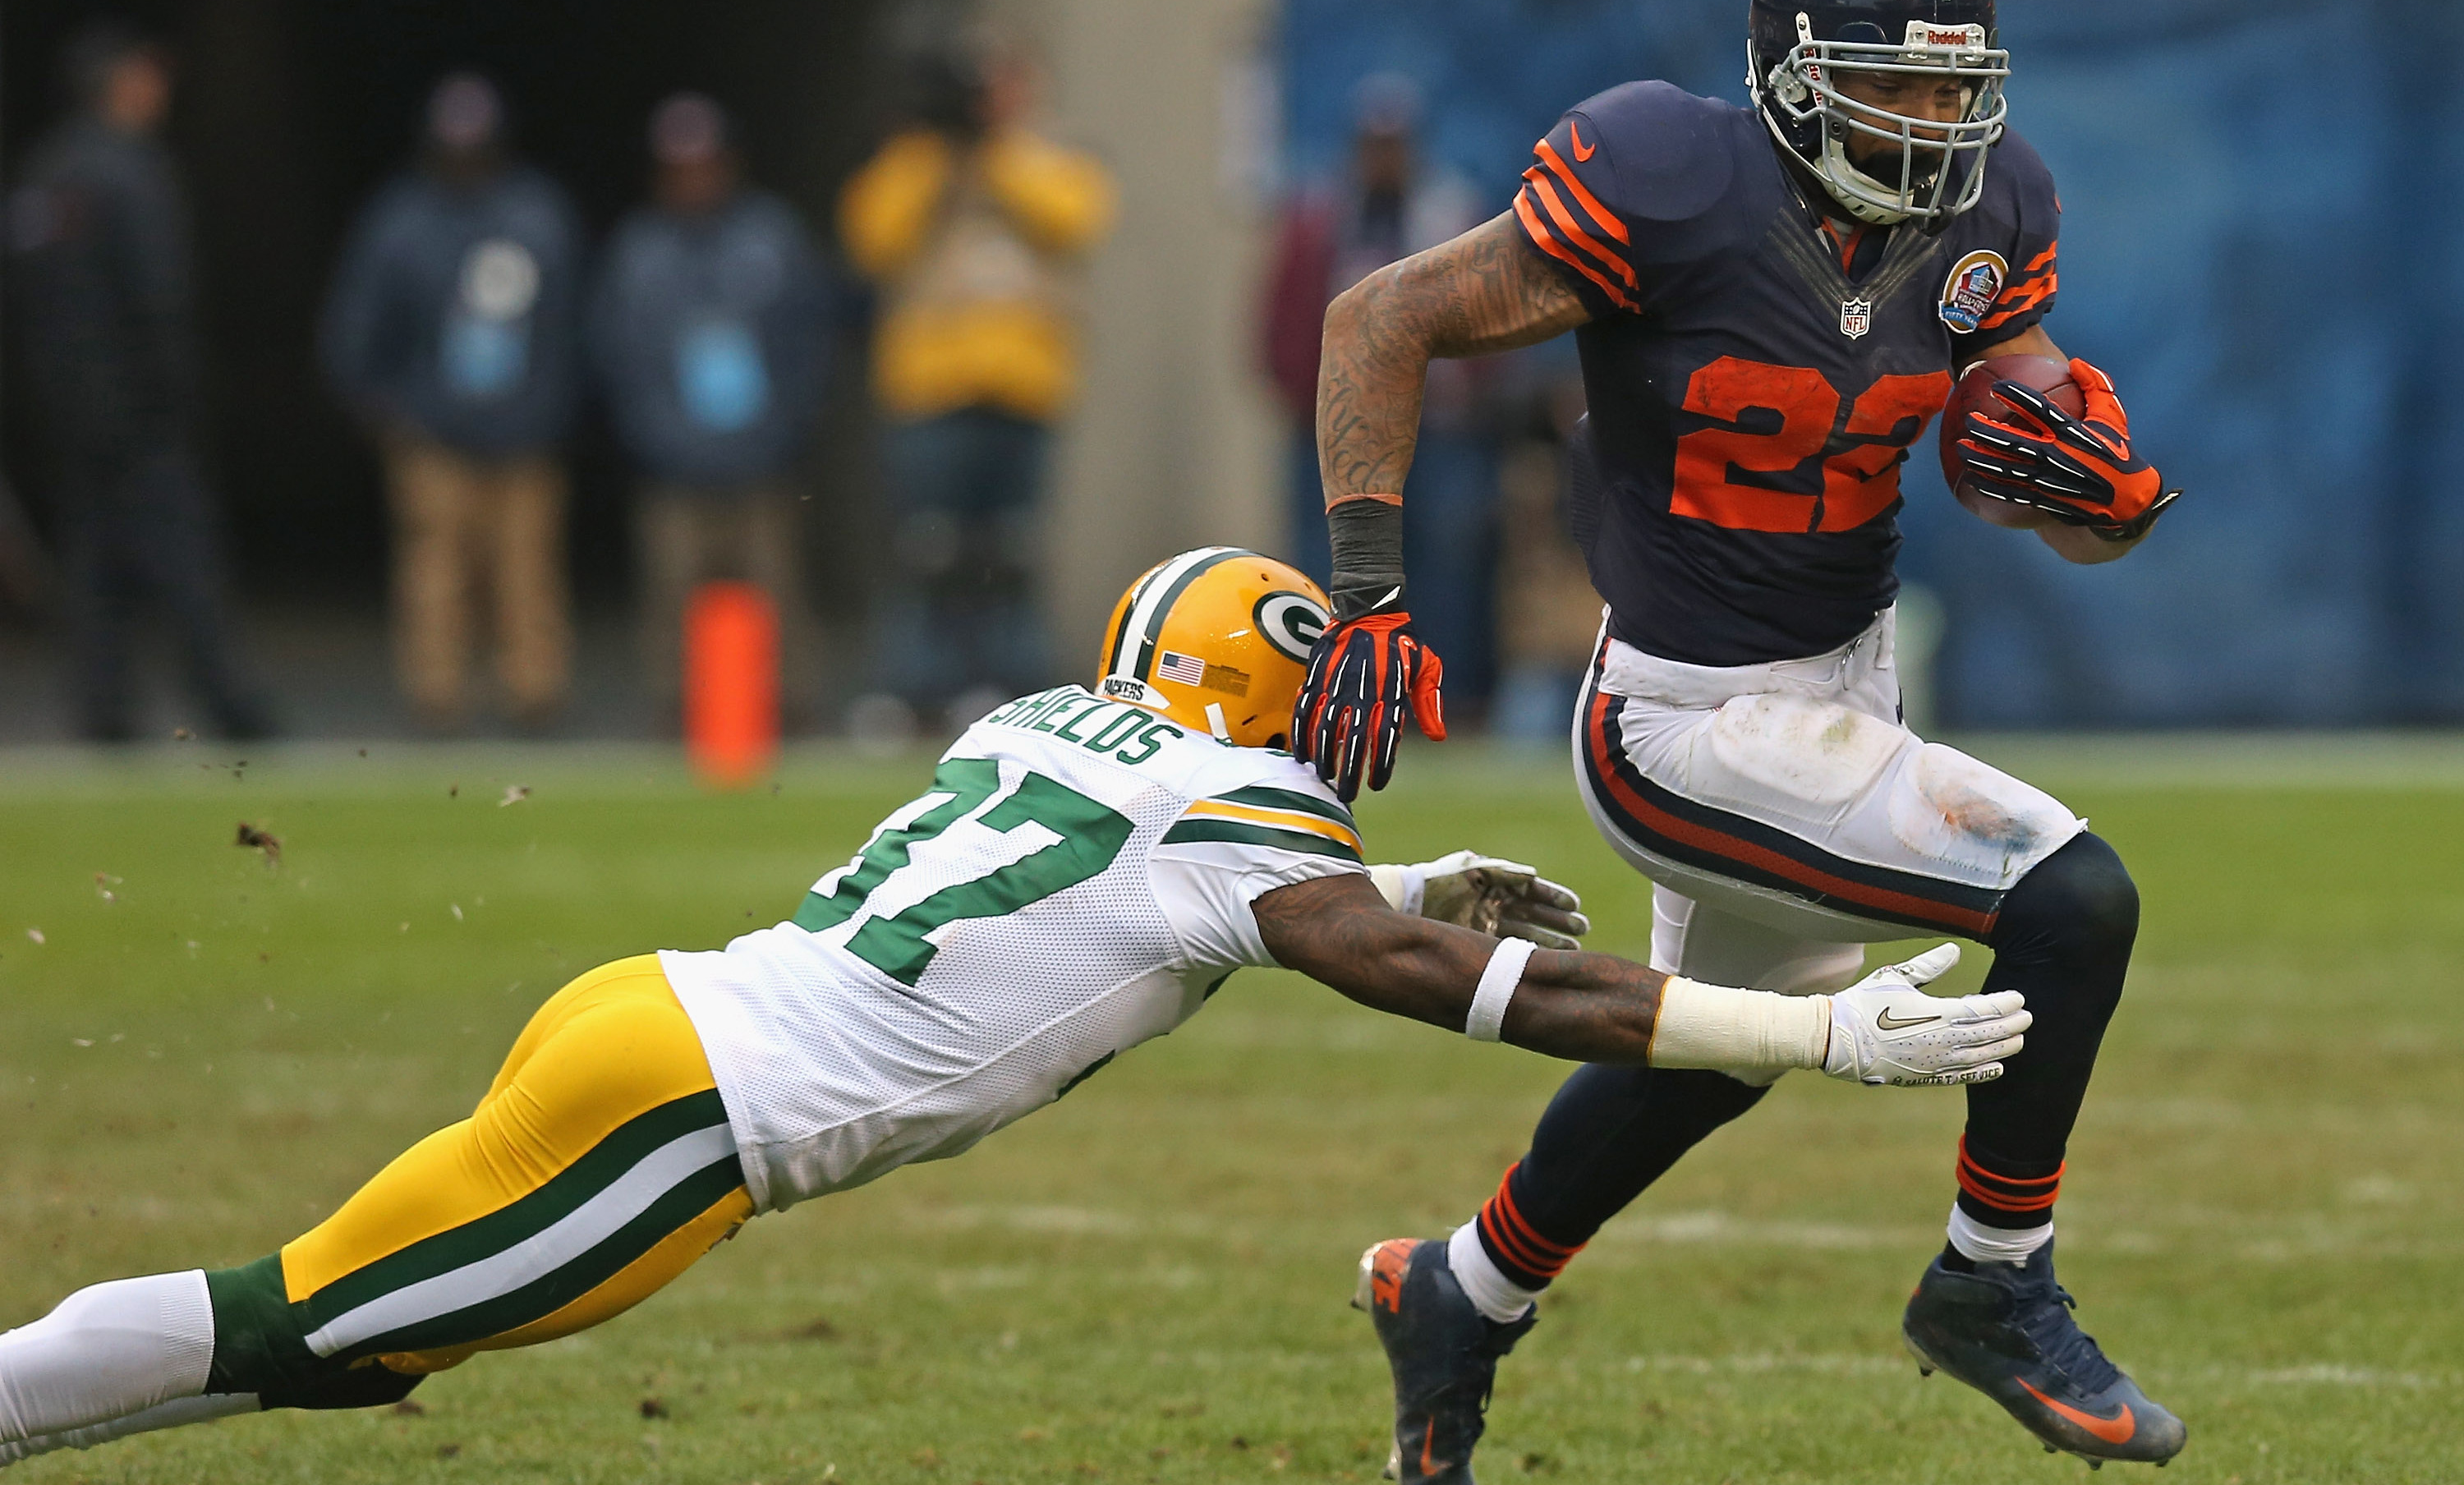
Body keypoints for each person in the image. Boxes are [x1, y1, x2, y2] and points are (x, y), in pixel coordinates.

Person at [0, 545, 2030, 1470]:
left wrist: (1390, 880)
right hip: (691, 1116)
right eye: (1316, 676)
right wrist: (1812, 1033)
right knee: (300, 1319)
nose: (1344, 719)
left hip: (647, 1023)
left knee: (355, 1354)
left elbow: (1105, 896)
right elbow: (1455, 988)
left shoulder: (1051, 724)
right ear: (1256, 681)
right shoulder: (1230, 810)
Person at [1295, 0, 2187, 1477]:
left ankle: (1460, 1287)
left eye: (1956, 83)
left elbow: (2006, 458)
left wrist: (2085, 492)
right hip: (1684, 721)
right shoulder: (1662, 180)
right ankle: (1993, 1281)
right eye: (1896, 85)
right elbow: (1383, 316)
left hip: (1848, 687)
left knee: (1721, 1049)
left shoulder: (1993, 211)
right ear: (1790, 75)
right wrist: (1366, 588)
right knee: (2075, 898)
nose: (1938, 122)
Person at [6, 24, 275, 742]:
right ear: (120, 85)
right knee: (185, 560)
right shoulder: (131, 171)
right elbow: (159, 300)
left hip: (66, 413)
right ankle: (232, 709)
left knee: (93, 567)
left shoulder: (45, 171)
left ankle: (104, 711)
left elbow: (28, 297)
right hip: (140, 415)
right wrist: (179, 400)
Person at [838, 29, 1113, 725]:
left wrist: (992, 149)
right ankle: (915, 684)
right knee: (927, 545)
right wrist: (937, 149)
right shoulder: (917, 158)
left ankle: (1011, 682)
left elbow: (1076, 216)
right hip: (931, 385)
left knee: (1011, 547)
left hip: (1023, 383)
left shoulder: (1043, 156)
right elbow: (873, 236)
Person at [319, 72, 585, 729]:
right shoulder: (402, 218)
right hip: (432, 432)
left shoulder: (537, 212)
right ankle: (437, 700)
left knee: (527, 573)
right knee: (435, 573)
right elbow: (357, 324)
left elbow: (574, 323)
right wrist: (384, 411)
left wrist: (557, 410)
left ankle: (534, 695)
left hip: (524, 432)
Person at [590, 93, 834, 723]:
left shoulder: (770, 235)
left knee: (775, 585)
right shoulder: (639, 249)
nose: (694, 177)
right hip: (673, 460)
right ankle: (675, 709)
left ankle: (789, 707)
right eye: (680, 165)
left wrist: (786, 428)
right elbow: (619, 355)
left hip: (762, 454)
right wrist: (652, 438)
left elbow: (808, 339)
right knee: (672, 589)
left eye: (704, 162)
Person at [1261, 74, 1501, 706]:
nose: (1385, 160)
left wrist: (1472, 396)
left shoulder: (1450, 214)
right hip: (1344, 433)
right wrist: (1306, 406)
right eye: (1374, 145)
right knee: (1335, 566)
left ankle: (1442, 701)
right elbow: (1282, 323)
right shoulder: (1320, 222)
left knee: (1443, 569)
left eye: (1395, 145)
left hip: (1437, 431)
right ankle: (1333, 694)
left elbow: (1495, 310)